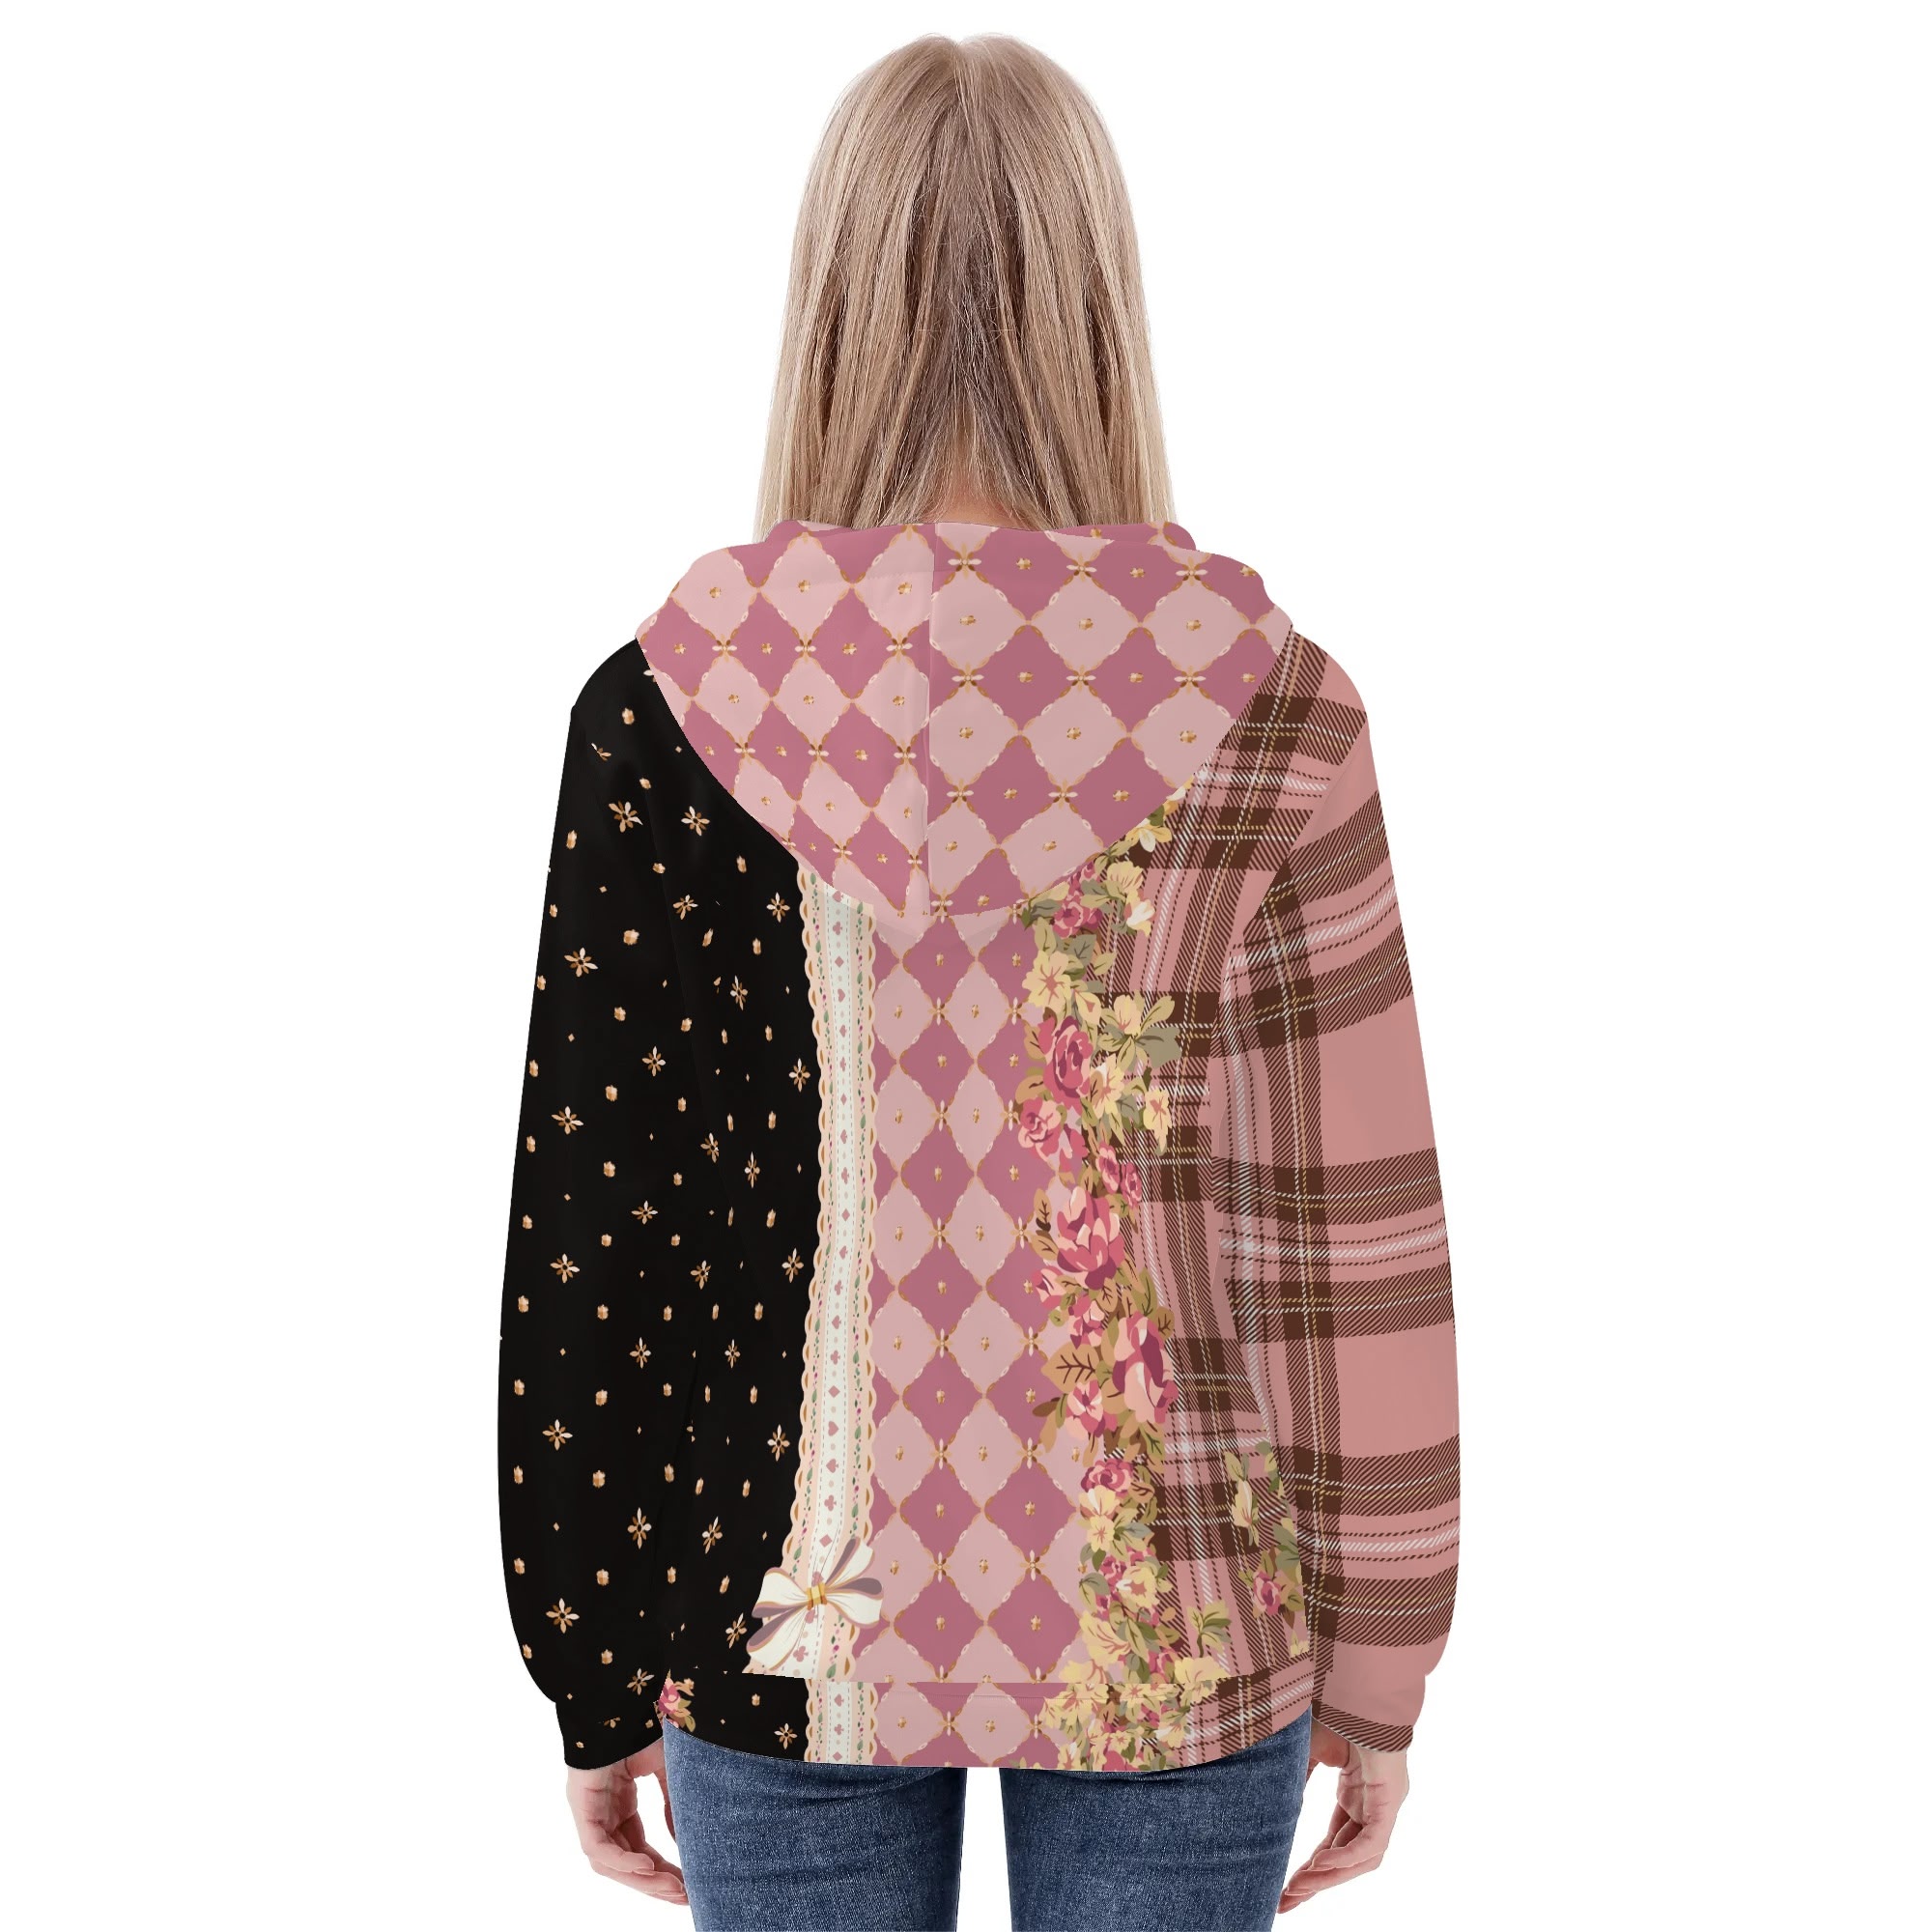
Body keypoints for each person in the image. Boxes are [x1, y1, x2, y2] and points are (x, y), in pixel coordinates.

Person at [497, 32, 1459, 1931]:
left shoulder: (665, 711)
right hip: (1177, 1630)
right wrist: (1383, 1662)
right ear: (1101, 309)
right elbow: (1342, 1230)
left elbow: (607, 1224)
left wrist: (590, 1663)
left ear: (827, 308)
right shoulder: (1272, 705)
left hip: (779, 1618)